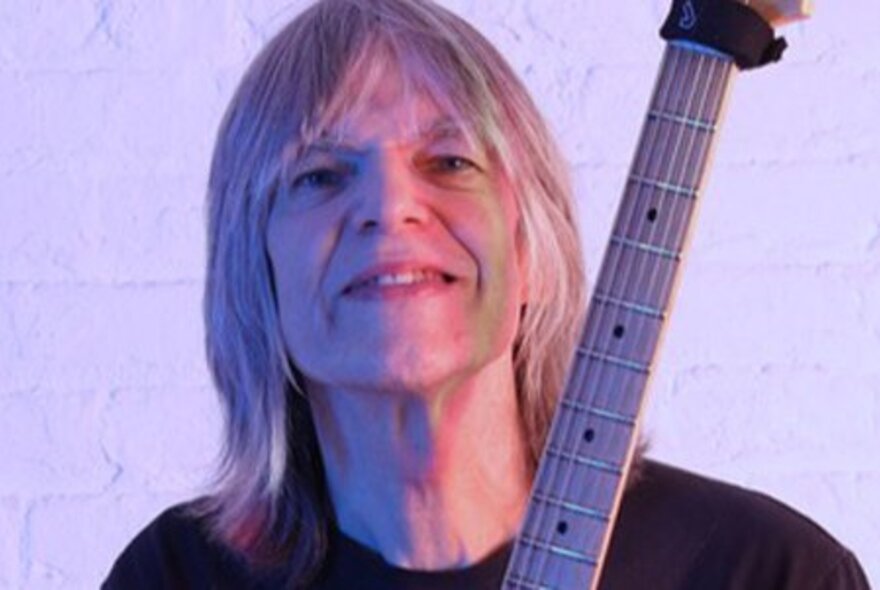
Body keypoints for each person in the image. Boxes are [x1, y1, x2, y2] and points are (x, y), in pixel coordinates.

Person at [103, 0, 870, 588]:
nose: (389, 207)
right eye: (320, 175)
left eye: (449, 163)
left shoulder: (765, 572)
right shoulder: (177, 576)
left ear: (532, 249)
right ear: (260, 273)